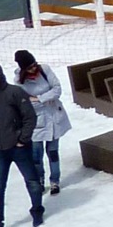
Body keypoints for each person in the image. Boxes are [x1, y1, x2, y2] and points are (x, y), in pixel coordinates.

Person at [0, 62, 43, 227]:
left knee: (32, 182)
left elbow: (30, 117)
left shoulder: (15, 92)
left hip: (19, 148)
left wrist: (22, 139)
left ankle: (37, 211)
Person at [13, 49, 71, 197]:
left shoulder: (45, 70)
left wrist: (39, 98)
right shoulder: (19, 82)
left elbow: (57, 89)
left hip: (54, 118)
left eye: (34, 65)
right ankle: (39, 181)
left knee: (53, 153)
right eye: (30, 67)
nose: (34, 69)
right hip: (37, 123)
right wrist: (44, 98)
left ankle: (54, 182)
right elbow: (25, 103)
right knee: (36, 155)